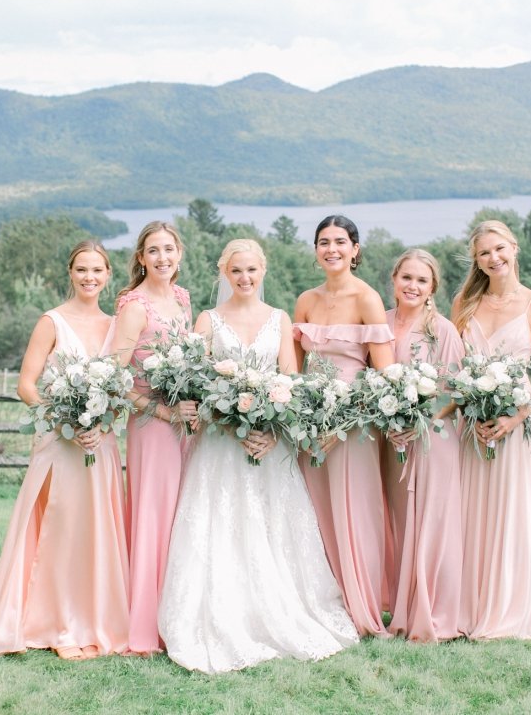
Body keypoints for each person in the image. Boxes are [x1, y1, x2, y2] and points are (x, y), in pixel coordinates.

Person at [158, 239, 358, 673]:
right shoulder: (207, 320)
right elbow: (195, 385)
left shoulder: (280, 319)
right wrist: (231, 424)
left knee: (270, 528)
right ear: (224, 274)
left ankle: (283, 610)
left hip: (269, 443)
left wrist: (270, 431)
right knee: (222, 528)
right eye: (236, 272)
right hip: (220, 446)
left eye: (251, 270)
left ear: (263, 270)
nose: (244, 278)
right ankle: (224, 615)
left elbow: (291, 380)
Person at [0, 240, 129, 660]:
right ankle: (60, 625)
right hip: (57, 442)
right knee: (60, 528)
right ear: (70, 272)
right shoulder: (52, 322)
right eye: (82, 269)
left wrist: (100, 422)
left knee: (95, 529)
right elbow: (25, 385)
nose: (89, 277)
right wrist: (64, 420)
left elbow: (122, 387)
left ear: (108, 274)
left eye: (97, 270)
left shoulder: (116, 327)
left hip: (99, 443)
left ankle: (94, 621)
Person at [450, 219, 531, 640]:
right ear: (476, 260)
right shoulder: (463, 301)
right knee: (471, 513)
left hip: (518, 426)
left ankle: (512, 604)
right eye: (484, 253)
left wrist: (517, 415)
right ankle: (470, 605)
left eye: (499, 249)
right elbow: (454, 367)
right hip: (473, 423)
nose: (493, 258)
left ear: (514, 248)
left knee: (513, 511)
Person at [293, 215, 395, 638]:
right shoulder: (305, 300)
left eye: (339, 241)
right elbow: (295, 370)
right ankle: (323, 602)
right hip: (311, 425)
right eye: (323, 242)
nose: (331, 249)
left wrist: (343, 422)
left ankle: (362, 607)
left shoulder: (366, 299)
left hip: (352, 427)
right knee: (316, 514)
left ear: (355, 249)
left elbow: (383, 374)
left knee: (354, 513)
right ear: (315, 250)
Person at [109, 220, 196, 656]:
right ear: (141, 258)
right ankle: (146, 625)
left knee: (180, 517)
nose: (162, 258)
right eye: (153, 250)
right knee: (153, 516)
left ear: (179, 254)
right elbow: (115, 377)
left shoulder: (182, 300)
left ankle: (176, 613)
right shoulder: (135, 307)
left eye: (169, 249)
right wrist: (162, 410)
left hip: (184, 426)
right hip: (151, 426)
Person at [382, 249, 465, 642]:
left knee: (431, 524)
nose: (412, 286)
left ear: (433, 288)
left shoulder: (442, 330)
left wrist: (424, 421)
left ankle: (434, 613)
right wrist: (391, 424)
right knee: (400, 524)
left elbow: (456, 392)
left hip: (434, 438)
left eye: (421, 280)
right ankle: (402, 608)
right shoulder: (379, 324)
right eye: (406, 277)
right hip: (390, 440)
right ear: (394, 279)